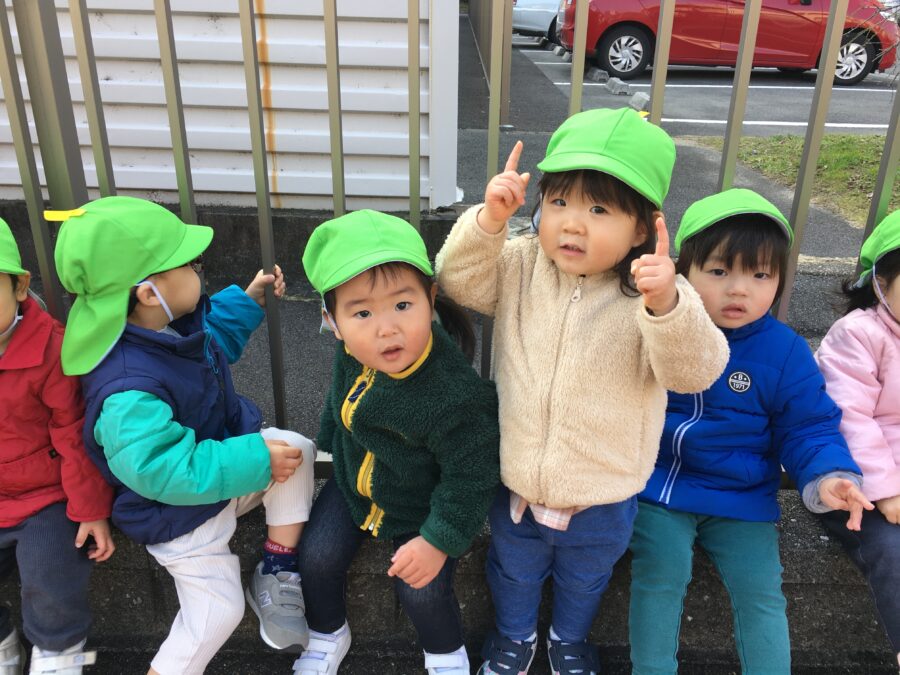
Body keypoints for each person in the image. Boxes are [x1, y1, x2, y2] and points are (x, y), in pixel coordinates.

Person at [435, 107, 729, 675]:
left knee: (587, 576)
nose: (573, 224)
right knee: (512, 571)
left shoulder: (653, 293)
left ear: (641, 229)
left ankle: (567, 639)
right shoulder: (522, 263)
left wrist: (667, 305)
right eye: (560, 201)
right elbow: (458, 281)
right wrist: (490, 222)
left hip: (603, 493)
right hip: (518, 481)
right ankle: (515, 636)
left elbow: (694, 372)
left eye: (598, 210)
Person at [49, 196, 316, 675]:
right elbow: (161, 471)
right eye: (190, 265)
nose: (198, 270)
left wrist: (248, 299)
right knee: (218, 610)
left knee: (296, 450)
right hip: (178, 517)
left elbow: (210, 343)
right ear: (150, 293)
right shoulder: (127, 390)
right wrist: (254, 461)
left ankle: (277, 567)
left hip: (218, 478)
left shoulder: (159, 329)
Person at [628, 188, 872, 675]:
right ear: (683, 272)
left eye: (761, 275)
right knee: (660, 573)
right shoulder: (654, 327)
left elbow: (808, 426)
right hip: (658, 489)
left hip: (740, 498)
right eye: (720, 272)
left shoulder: (784, 350)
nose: (740, 290)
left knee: (761, 590)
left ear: (779, 280)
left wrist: (829, 475)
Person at [294, 209, 500, 675]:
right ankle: (327, 633)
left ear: (430, 298)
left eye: (402, 305)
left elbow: (472, 474)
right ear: (333, 321)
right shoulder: (354, 351)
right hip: (354, 485)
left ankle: (446, 656)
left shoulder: (453, 394)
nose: (386, 328)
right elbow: (339, 398)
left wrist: (438, 540)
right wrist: (328, 438)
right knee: (317, 557)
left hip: (419, 504)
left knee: (421, 590)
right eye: (362, 313)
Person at [0, 219, 114, 675]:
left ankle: (58, 652)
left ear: (20, 286)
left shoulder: (50, 349)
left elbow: (74, 433)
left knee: (50, 574)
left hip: (46, 496)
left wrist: (90, 509)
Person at [815, 209, 900, 668]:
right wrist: (887, 491)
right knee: (892, 551)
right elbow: (849, 417)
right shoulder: (859, 335)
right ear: (881, 283)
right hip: (858, 487)